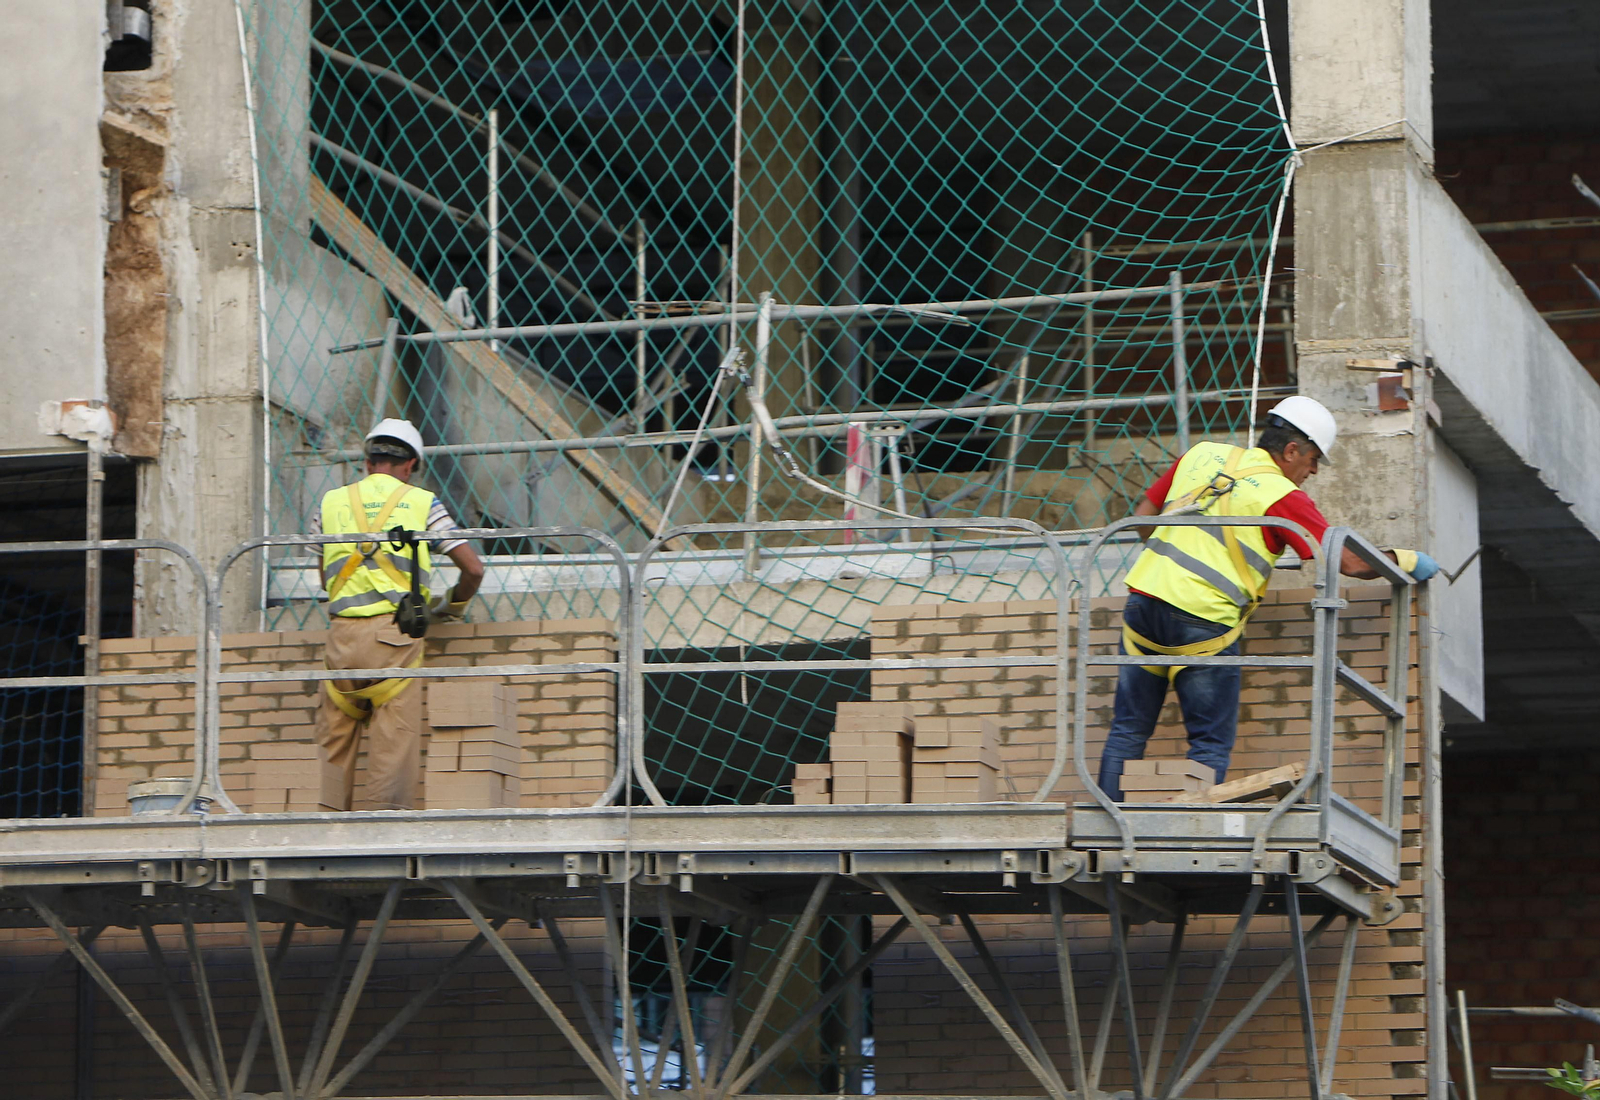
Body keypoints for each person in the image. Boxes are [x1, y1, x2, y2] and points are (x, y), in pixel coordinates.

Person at [1096, 396, 1439, 801]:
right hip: (1203, 620)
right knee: (1208, 741)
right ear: (1291, 450)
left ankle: (1105, 820)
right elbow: (1348, 561)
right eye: (1313, 459)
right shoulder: (1283, 495)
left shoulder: (1201, 454)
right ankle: (1192, 822)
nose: (1313, 471)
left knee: (1129, 728)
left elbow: (1144, 518)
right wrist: (1406, 560)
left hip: (1143, 603)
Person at [312, 419, 485, 810]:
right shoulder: (422, 502)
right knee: (393, 751)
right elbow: (473, 569)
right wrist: (451, 606)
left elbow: (325, 578)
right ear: (410, 466)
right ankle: (384, 832)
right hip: (395, 638)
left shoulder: (330, 503)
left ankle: (321, 831)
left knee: (330, 753)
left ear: (368, 462)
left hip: (340, 641)